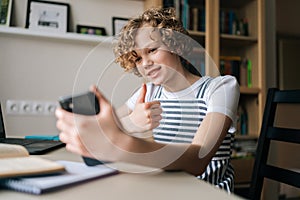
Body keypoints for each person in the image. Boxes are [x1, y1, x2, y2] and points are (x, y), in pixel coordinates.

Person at [55, 7, 240, 193]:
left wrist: (123, 143)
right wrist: (132, 123)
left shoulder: (220, 88)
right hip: (164, 189)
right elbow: (107, 127)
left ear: (175, 44)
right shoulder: (149, 92)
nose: (145, 63)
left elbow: (197, 160)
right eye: (137, 59)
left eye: (152, 50)